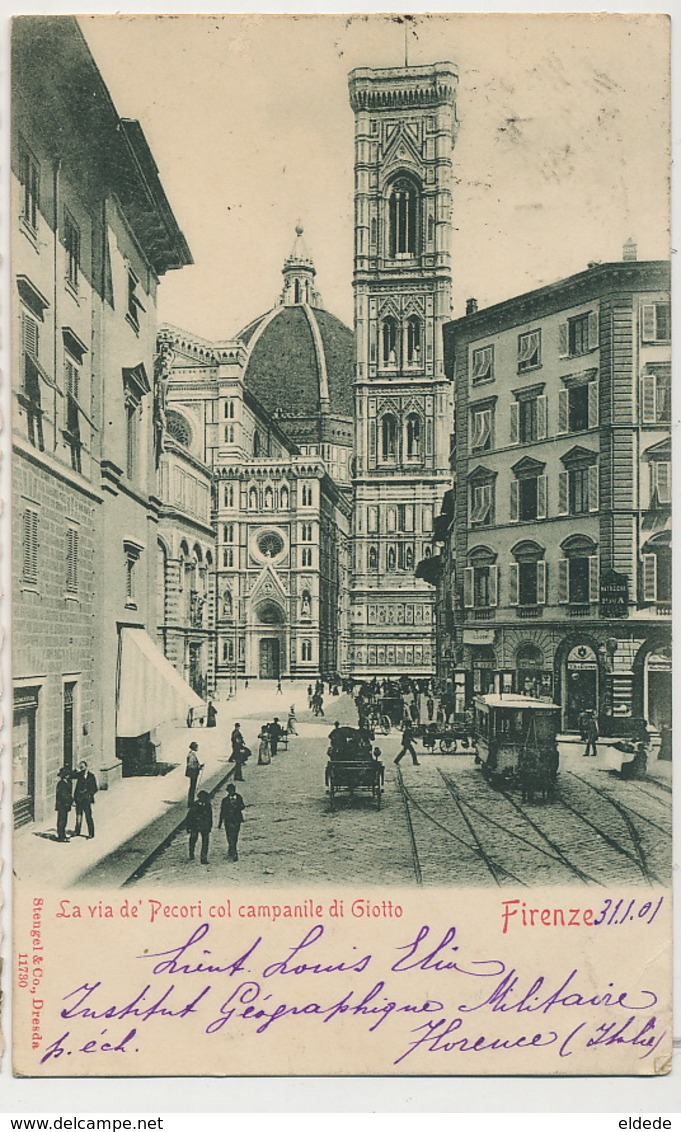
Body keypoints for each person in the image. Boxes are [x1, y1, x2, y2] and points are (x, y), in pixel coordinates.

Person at [218, 782, 245, 861]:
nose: (231, 792)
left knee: (235, 835)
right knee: (229, 835)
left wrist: (238, 807)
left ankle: (232, 848)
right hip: (228, 819)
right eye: (230, 791)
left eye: (232, 790)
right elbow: (222, 811)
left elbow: (243, 806)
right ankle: (233, 850)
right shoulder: (225, 800)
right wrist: (220, 822)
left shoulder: (239, 797)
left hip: (237, 819)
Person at [72, 760, 98, 839]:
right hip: (79, 799)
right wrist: (76, 770)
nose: (82, 769)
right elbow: (72, 776)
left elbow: (95, 788)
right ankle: (77, 831)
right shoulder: (79, 775)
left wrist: (90, 794)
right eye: (81, 767)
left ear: (86, 767)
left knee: (88, 816)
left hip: (87, 799)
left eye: (83, 767)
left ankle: (91, 833)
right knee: (78, 816)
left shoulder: (91, 776)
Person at [186, 790, 212, 864]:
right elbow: (189, 816)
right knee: (193, 840)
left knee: (205, 842)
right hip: (195, 825)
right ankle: (191, 853)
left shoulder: (208, 805)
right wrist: (188, 827)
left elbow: (210, 816)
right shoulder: (195, 805)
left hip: (205, 826)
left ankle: (203, 857)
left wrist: (210, 826)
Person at [55, 767, 73, 842]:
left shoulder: (67, 782)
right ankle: (61, 837)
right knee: (61, 821)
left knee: (64, 820)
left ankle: (63, 835)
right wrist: (71, 801)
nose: (68, 776)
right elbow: (64, 795)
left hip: (65, 805)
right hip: (62, 805)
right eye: (67, 774)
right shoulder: (61, 784)